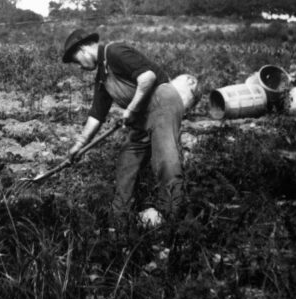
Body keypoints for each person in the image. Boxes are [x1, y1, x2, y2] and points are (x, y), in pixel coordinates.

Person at [61, 28, 198, 228]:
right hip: (141, 116)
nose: (79, 67)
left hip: (163, 102)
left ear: (83, 49)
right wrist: (79, 145)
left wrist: (131, 108)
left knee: (165, 160)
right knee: (127, 162)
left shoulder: (114, 52)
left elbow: (147, 77)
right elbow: (96, 115)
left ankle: (171, 219)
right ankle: (119, 219)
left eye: (76, 60)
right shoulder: (102, 77)